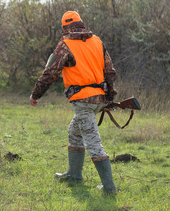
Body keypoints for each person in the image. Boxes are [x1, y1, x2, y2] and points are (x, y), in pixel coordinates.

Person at [29, 11, 117, 195]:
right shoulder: (97, 41)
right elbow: (110, 71)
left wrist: (35, 95)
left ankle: (109, 189)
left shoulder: (65, 45)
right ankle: (74, 175)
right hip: (99, 97)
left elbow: (50, 73)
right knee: (74, 131)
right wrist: (109, 96)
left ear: (64, 28)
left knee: (93, 142)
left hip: (82, 100)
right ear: (81, 24)